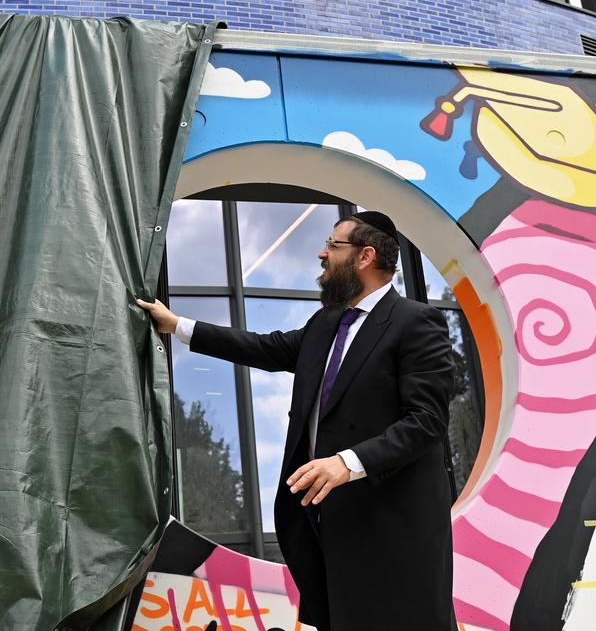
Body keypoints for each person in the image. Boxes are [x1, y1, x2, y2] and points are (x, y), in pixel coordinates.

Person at [138, 211, 457, 631]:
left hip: (394, 526)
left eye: (333, 245)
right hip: (330, 524)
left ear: (365, 256)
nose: (321, 253)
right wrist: (179, 326)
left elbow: (426, 421)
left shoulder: (416, 323)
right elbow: (264, 348)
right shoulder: (326, 324)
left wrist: (347, 462)